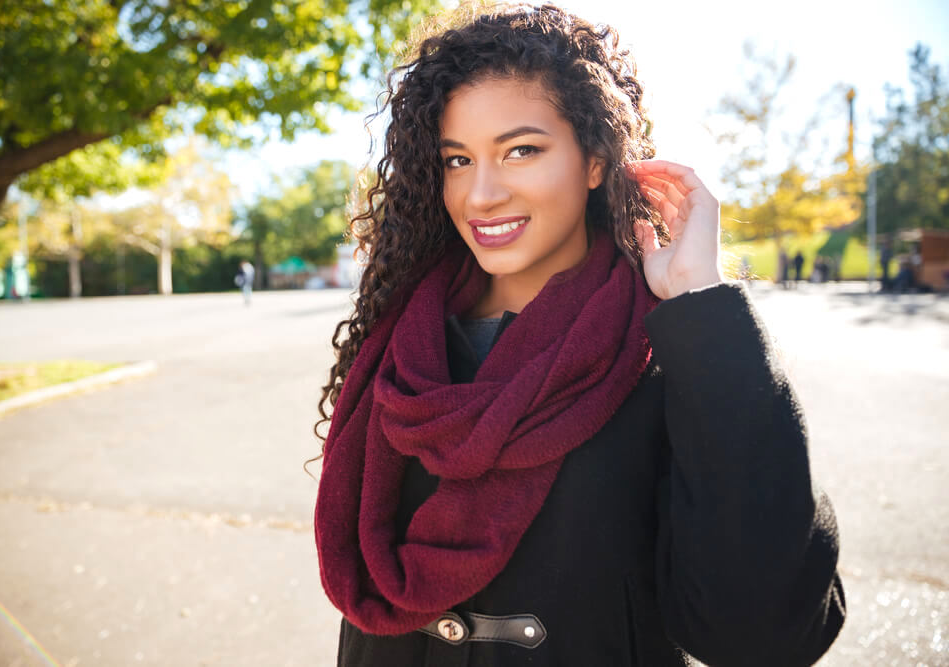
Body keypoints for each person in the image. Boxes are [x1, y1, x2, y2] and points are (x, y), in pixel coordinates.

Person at [313, 5, 845, 666]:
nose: (481, 193)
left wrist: (705, 309)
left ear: (595, 159)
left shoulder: (674, 346)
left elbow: (762, 632)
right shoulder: (394, 345)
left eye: (521, 150)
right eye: (456, 159)